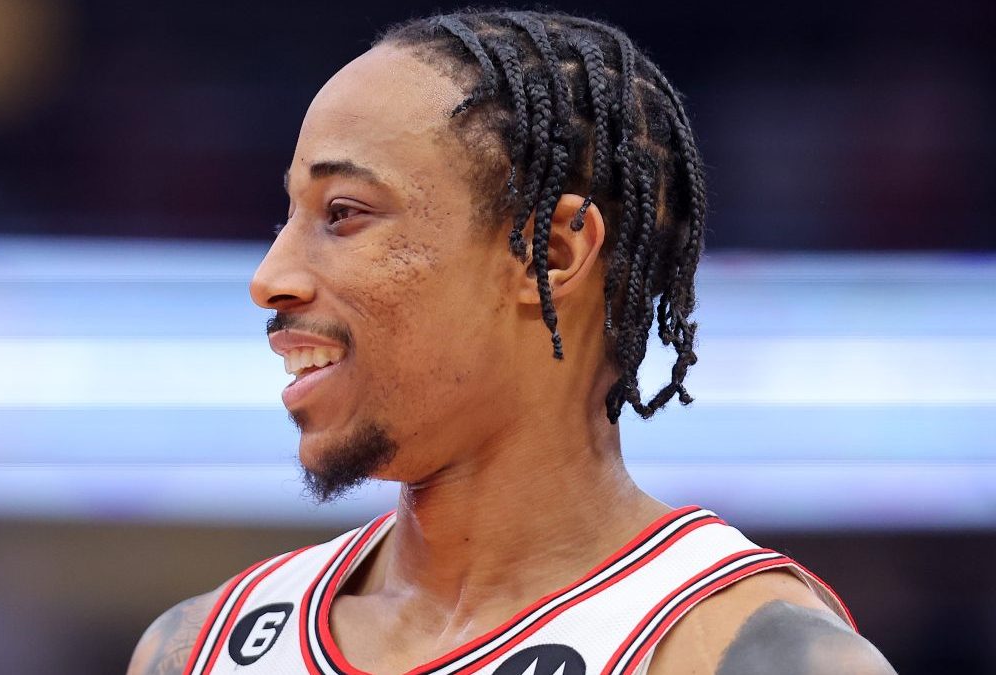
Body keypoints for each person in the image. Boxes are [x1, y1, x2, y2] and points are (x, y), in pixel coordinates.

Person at [129, 8, 896, 675]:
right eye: (289, 215)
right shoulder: (199, 645)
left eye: (343, 213)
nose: (270, 277)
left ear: (549, 255)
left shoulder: (745, 651)